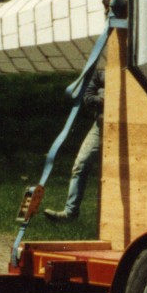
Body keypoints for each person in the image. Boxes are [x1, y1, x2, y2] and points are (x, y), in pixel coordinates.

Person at [44, 71, 103, 221]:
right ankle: (70, 213)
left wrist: (103, 93)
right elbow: (88, 99)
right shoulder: (101, 73)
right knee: (80, 165)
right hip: (101, 126)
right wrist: (106, 97)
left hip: (130, 127)